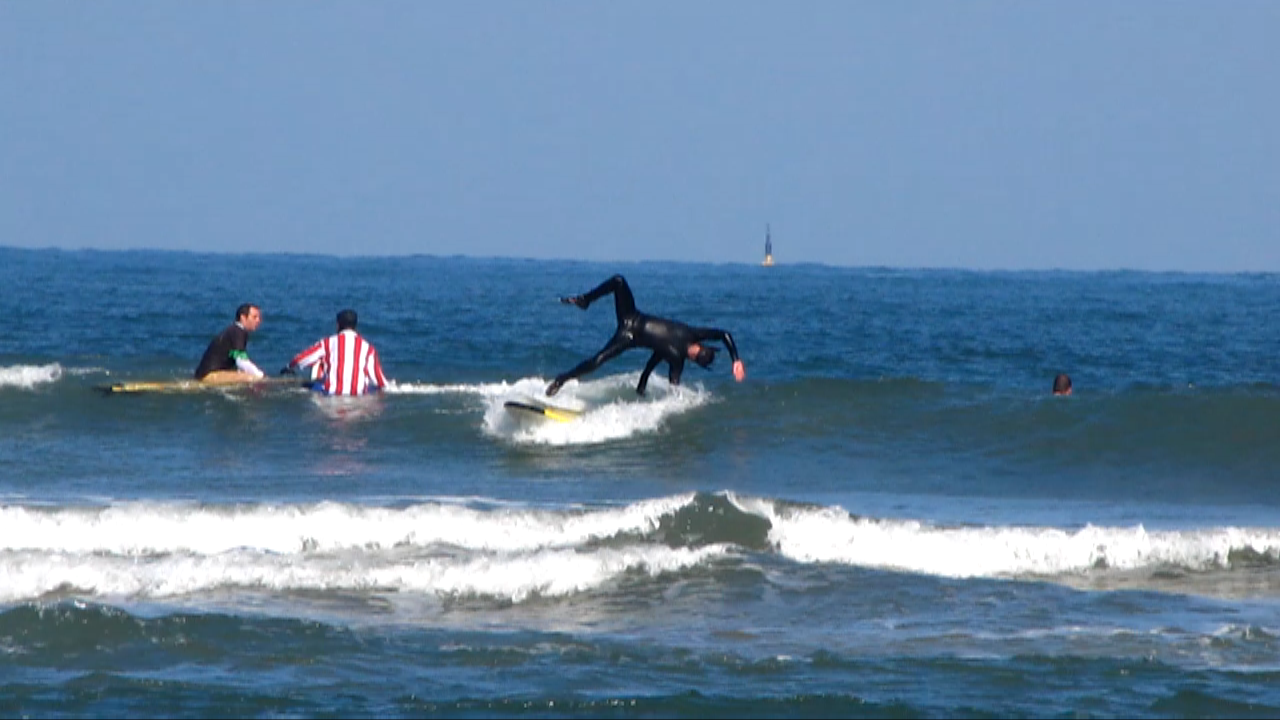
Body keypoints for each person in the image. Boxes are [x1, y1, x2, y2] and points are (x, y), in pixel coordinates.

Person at [547, 274, 746, 397]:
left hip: (629, 337)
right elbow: (724, 334)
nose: (695, 352)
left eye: (697, 357)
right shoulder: (691, 333)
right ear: (701, 346)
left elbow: (658, 359)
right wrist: (735, 360)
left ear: (695, 360)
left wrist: (644, 382)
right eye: (699, 351)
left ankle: (561, 380)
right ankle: (585, 300)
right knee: (618, 281)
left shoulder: (677, 360)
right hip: (632, 315)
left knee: (597, 361)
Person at [282, 309, 389, 396]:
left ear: (338, 325)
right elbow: (379, 380)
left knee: (309, 385)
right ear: (355, 326)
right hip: (358, 400)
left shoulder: (328, 343)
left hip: (332, 397)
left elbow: (302, 358)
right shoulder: (368, 348)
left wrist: (289, 366)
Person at [194, 303, 265, 383]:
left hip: (205, 374)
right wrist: (259, 375)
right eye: (254, 317)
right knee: (253, 378)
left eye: (259, 318)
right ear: (243, 318)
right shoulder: (238, 331)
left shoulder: (234, 331)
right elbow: (241, 361)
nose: (258, 320)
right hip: (210, 375)